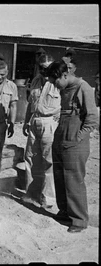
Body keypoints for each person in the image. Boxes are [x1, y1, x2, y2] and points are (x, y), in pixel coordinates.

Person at [47, 61, 99, 233]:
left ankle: (79, 220)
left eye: (55, 82)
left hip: (75, 143)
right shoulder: (64, 89)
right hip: (61, 138)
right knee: (60, 177)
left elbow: (92, 119)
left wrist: (78, 138)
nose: (54, 86)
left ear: (64, 75)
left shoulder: (83, 88)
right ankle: (64, 212)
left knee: (74, 180)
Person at [21, 54, 59, 208]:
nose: (44, 71)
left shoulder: (58, 83)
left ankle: (48, 198)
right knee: (30, 157)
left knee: (48, 161)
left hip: (50, 122)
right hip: (34, 121)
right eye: (42, 68)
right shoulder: (36, 80)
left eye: (47, 68)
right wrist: (25, 121)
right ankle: (31, 193)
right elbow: (31, 104)